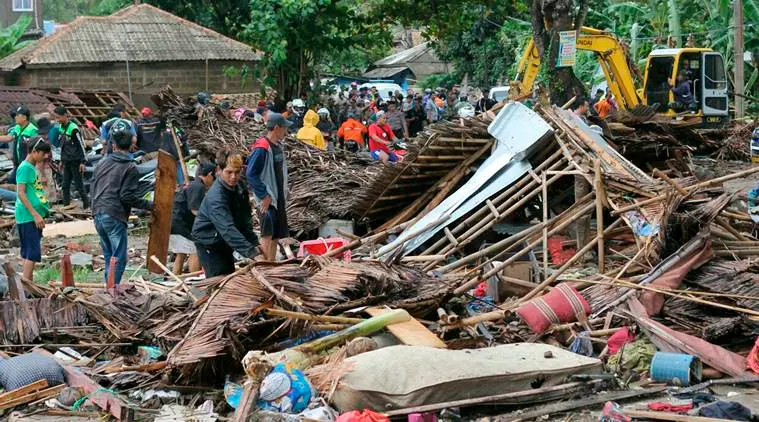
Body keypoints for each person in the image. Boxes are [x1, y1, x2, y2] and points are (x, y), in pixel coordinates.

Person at [91, 121, 153, 285]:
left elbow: (93, 186)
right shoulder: (130, 167)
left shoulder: (102, 162)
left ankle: (108, 290)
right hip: (113, 214)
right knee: (118, 258)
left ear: (114, 144)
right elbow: (127, 197)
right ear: (132, 145)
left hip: (97, 212)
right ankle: (112, 293)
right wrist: (149, 205)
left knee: (109, 257)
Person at [193, 150, 260, 276]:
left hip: (223, 240)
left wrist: (255, 243)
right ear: (219, 170)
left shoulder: (239, 186)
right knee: (218, 279)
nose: (233, 177)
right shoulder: (216, 197)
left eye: (237, 172)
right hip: (209, 241)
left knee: (229, 275)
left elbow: (244, 219)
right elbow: (227, 229)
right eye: (229, 172)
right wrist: (252, 252)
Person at [247, 113, 291, 261]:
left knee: (275, 236)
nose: (286, 131)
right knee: (267, 235)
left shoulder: (278, 146)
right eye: (285, 128)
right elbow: (251, 174)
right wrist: (264, 195)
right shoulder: (262, 148)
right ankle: (265, 269)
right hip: (268, 201)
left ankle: (271, 266)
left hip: (278, 199)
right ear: (277, 128)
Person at [15, 137, 51, 283]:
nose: (46, 156)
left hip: (31, 216)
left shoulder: (31, 167)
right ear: (34, 151)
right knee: (33, 253)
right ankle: (25, 287)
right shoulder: (24, 168)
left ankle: (29, 287)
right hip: (28, 216)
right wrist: (35, 214)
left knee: (29, 253)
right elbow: (21, 192)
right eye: (43, 153)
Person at [170, 162, 216, 275]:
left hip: (174, 223)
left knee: (181, 254)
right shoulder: (198, 186)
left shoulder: (193, 184)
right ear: (210, 174)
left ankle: (176, 280)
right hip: (181, 225)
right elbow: (195, 210)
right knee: (195, 250)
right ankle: (195, 281)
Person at [53, 106, 89, 208]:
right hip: (66, 161)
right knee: (65, 185)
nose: (57, 120)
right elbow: (62, 145)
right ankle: (66, 205)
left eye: (59, 117)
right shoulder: (61, 127)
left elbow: (81, 145)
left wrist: (83, 162)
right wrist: (61, 160)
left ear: (65, 115)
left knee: (79, 185)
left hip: (76, 161)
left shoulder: (73, 128)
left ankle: (87, 206)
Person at [0, 106, 38, 183]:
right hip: (18, 163)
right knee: (13, 181)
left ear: (24, 117)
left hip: (27, 164)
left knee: (25, 185)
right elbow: (8, 138)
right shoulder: (17, 127)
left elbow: (36, 149)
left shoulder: (33, 130)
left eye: (17, 115)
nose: (15, 117)